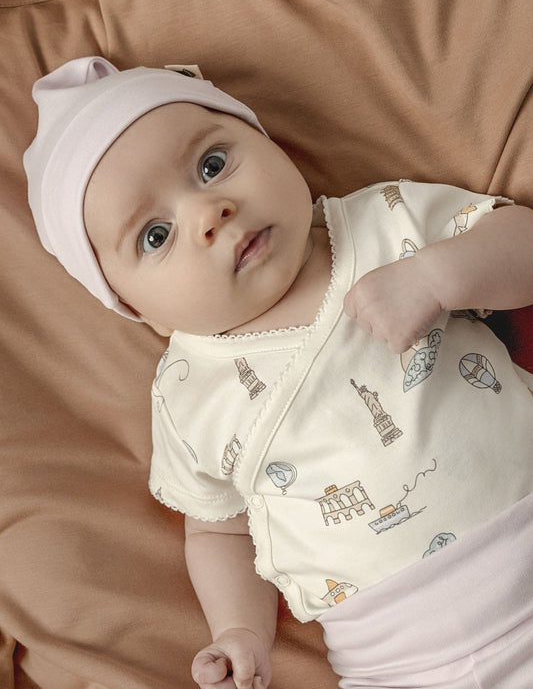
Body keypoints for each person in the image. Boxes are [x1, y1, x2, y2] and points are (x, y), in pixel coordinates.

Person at [24, 56, 533, 689]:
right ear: (135, 309)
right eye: (156, 235)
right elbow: (218, 531)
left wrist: (435, 277)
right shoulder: (187, 397)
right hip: (397, 661)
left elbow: (522, 241)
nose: (209, 212)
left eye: (212, 165)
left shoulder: (387, 222)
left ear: (265, 140)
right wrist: (240, 632)